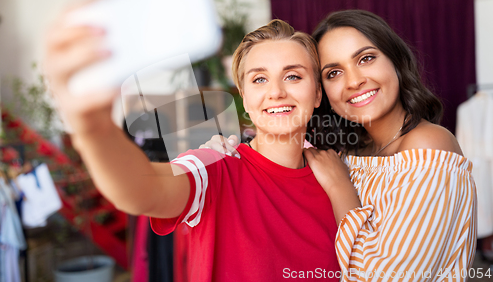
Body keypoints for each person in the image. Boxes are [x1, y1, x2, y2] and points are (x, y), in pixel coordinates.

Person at [43, 15, 342, 281]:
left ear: (317, 93)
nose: (276, 92)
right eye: (260, 79)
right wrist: (92, 128)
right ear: (245, 98)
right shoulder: (215, 167)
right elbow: (142, 189)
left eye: (293, 76)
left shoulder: (340, 175)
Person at [203, 10, 477, 281]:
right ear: (320, 92)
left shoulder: (428, 145)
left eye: (366, 58)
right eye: (333, 73)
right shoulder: (346, 153)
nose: (354, 81)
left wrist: (340, 187)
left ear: (396, 59)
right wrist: (222, 151)